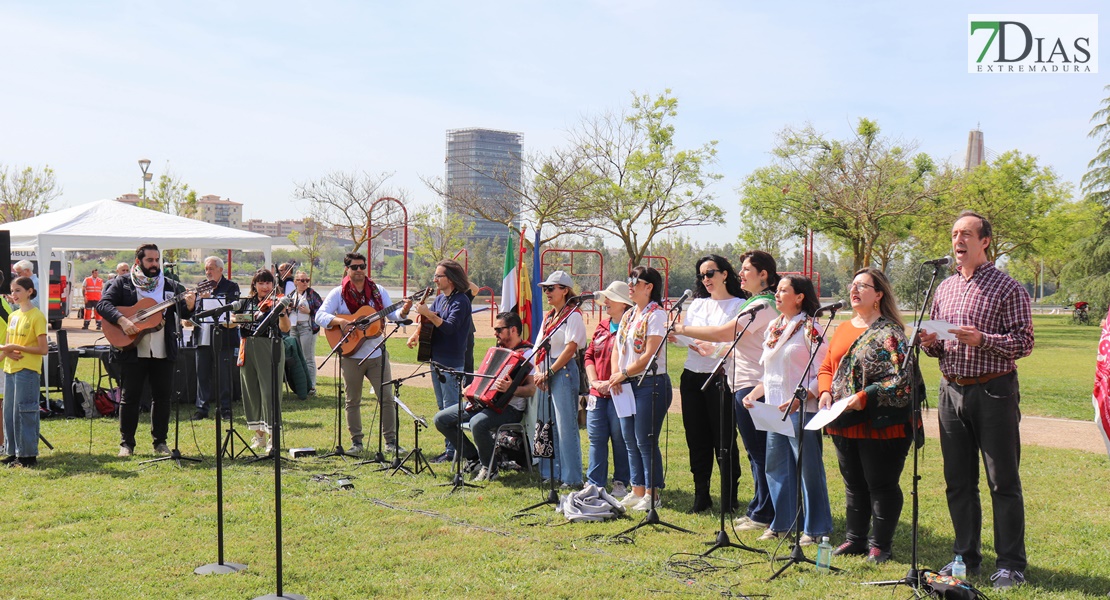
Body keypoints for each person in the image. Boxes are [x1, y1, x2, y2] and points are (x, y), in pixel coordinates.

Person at [919, 211, 1034, 589]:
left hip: (994, 390)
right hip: (951, 390)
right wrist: (931, 344)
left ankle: (1011, 564)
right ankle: (965, 557)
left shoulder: (1008, 288)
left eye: (966, 234)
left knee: (1002, 481)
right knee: (957, 481)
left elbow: (1024, 342)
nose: (958, 240)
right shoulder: (945, 287)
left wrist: (983, 339)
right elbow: (939, 344)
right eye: (954, 234)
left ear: (984, 241)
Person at [817, 267, 920, 564]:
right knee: (853, 483)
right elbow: (826, 367)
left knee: (881, 483)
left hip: (880, 422)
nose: (855, 290)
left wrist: (863, 397)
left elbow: (901, 379)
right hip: (843, 419)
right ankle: (855, 539)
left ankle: (880, 545)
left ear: (878, 295)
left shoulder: (891, 333)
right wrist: (825, 392)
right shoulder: (843, 328)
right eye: (853, 285)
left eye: (863, 286)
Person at [676, 250, 779, 531]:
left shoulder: (759, 305)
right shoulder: (757, 303)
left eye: (746, 269)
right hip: (738, 382)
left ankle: (760, 511)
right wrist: (690, 337)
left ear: (763, 275)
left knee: (757, 452)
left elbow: (726, 334)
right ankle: (759, 508)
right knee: (755, 453)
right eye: (702, 275)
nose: (741, 273)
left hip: (750, 383)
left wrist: (684, 328)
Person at [743, 274, 832, 544]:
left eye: (783, 291)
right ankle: (782, 523)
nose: (777, 295)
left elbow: (824, 371)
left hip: (802, 410)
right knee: (776, 468)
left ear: (799, 296)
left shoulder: (811, 328)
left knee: (808, 470)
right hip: (774, 410)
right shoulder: (775, 325)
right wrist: (754, 395)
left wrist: (800, 397)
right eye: (777, 290)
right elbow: (770, 373)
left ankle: (815, 529)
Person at [98, 243, 197, 457]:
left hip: (162, 348)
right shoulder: (123, 283)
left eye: (157, 260)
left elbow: (186, 315)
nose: (154, 265)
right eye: (150, 260)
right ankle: (127, 444)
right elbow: (103, 305)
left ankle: (160, 442)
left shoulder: (170, 284)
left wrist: (190, 305)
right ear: (138, 261)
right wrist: (122, 320)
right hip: (132, 347)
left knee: (162, 397)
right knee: (130, 397)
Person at [671, 254, 745, 514]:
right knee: (696, 437)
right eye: (702, 275)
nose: (706, 279)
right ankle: (701, 493)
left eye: (710, 273)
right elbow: (685, 336)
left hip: (721, 378)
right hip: (692, 375)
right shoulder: (698, 304)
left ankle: (729, 496)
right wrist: (680, 337)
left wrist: (712, 348)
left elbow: (737, 341)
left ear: (725, 274)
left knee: (723, 438)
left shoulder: (740, 304)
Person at [434, 312, 536, 481]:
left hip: (510, 408)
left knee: (477, 423)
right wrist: (471, 390)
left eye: (499, 329)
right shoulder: (497, 351)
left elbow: (531, 389)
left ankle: (490, 468)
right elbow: (484, 380)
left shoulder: (527, 354)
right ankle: (474, 458)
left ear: (513, 330)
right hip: (485, 405)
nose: (495, 333)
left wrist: (512, 388)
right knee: (441, 419)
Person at [317, 253, 403, 454]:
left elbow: (393, 315)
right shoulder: (338, 293)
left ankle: (391, 442)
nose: (358, 270)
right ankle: (356, 443)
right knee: (352, 400)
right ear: (346, 268)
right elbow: (319, 316)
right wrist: (341, 322)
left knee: (387, 398)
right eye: (354, 267)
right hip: (350, 355)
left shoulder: (378, 291)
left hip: (376, 354)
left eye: (362, 266)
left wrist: (404, 310)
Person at [608, 266, 672, 511]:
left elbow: (650, 354)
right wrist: (617, 375)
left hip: (650, 383)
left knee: (646, 439)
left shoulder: (657, 315)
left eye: (636, 281)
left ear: (649, 287)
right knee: (629, 439)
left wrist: (623, 373)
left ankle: (652, 493)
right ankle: (637, 489)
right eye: (629, 280)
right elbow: (617, 348)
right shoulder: (629, 314)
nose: (630, 285)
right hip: (626, 383)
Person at [407, 259, 472, 463]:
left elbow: (450, 327)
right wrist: (417, 333)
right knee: (442, 407)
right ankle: (450, 450)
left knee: (450, 407)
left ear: (450, 278)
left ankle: (454, 452)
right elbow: (429, 320)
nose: (434, 279)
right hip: (436, 360)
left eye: (438, 276)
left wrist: (427, 313)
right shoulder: (441, 299)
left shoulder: (461, 301)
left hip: (452, 363)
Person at [533, 270, 587, 487]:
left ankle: (572, 477)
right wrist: (539, 372)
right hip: (545, 373)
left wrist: (549, 372)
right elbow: (538, 346)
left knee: (566, 427)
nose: (547, 292)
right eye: (545, 289)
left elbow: (571, 348)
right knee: (546, 425)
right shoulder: (549, 317)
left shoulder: (572, 315)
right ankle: (551, 473)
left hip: (562, 372)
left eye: (551, 288)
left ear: (565, 290)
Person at [583, 281, 633, 498]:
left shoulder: (632, 327)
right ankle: (595, 483)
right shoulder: (602, 326)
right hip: (597, 393)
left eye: (610, 298)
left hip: (620, 392)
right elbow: (589, 356)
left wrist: (612, 381)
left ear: (624, 303)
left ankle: (621, 482)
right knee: (596, 437)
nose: (605, 302)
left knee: (620, 438)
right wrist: (594, 382)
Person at [237, 269, 290, 452]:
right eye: (261, 283)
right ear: (254, 285)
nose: (265, 287)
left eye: (268, 283)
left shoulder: (277, 303)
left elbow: (285, 328)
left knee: (270, 392)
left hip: (269, 346)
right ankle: (258, 435)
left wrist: (281, 313)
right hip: (247, 347)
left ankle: (272, 438)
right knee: (251, 391)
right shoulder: (247, 302)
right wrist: (247, 317)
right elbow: (233, 321)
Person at [1, 277, 48, 468]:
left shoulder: (37, 316)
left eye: (18, 290)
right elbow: (6, 346)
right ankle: (13, 452)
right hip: (10, 369)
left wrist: (16, 347)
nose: (14, 294)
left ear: (30, 291)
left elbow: (43, 349)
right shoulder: (13, 316)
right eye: (12, 290)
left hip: (27, 370)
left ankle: (28, 455)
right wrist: (8, 350)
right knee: (9, 413)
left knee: (25, 411)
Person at [192, 256, 241, 421]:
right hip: (202, 336)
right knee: (202, 374)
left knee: (223, 375)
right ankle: (201, 408)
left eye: (211, 268)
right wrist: (200, 301)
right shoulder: (201, 287)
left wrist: (210, 300)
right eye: (206, 269)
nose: (208, 272)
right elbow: (195, 312)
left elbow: (232, 308)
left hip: (223, 336)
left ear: (220, 270)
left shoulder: (231, 286)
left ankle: (225, 409)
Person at [288, 270, 323, 396]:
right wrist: (287, 309)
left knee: (308, 357)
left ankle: (311, 386)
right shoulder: (292, 294)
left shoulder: (312, 294)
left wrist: (309, 311)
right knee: (296, 357)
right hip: (293, 327)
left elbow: (322, 311)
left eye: (306, 280)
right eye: (302, 280)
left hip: (306, 327)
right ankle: (300, 385)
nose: (305, 283)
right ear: (295, 282)